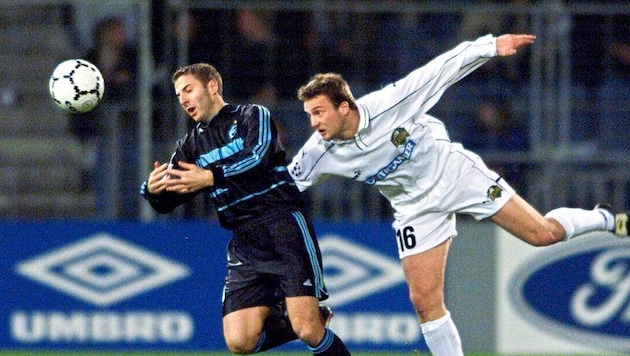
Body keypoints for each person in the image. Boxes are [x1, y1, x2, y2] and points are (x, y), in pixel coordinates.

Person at [287, 33, 629, 355]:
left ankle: (604, 217)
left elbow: (443, 68)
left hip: (455, 174)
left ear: (344, 106)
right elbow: (282, 189)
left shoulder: (389, 104)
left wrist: (492, 45)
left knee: (543, 234)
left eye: (319, 112)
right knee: (424, 301)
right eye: (309, 115)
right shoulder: (319, 152)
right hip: (414, 207)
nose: (314, 123)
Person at [140, 63, 350, 355]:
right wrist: (151, 190)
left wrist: (212, 176)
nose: (183, 100)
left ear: (212, 85)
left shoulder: (253, 115)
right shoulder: (190, 146)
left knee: (309, 331)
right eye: (178, 96)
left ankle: (309, 322)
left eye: (188, 90)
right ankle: (305, 318)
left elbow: (258, 156)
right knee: (240, 341)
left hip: (282, 227)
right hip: (245, 240)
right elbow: (168, 199)